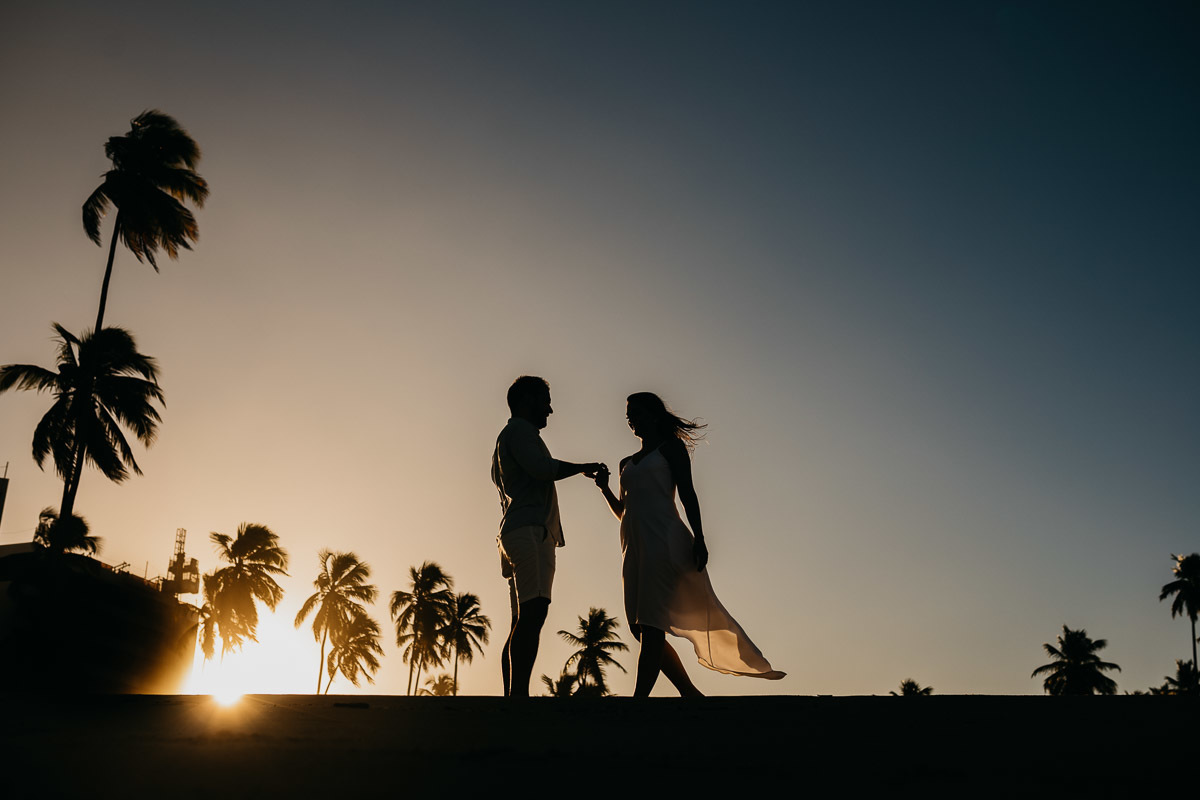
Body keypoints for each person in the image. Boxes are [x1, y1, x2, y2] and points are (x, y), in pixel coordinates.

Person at [593, 392, 784, 696]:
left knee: (652, 625)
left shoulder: (671, 449)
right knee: (639, 628)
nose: (631, 418)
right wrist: (604, 489)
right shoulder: (625, 464)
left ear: (653, 415)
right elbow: (625, 513)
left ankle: (638, 701)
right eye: (628, 414)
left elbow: (688, 495)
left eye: (636, 412)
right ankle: (689, 693)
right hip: (633, 550)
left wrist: (700, 538)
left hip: (664, 542)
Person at [493, 375, 602, 697]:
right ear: (527, 401)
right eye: (545, 401)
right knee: (533, 612)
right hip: (529, 531)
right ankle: (519, 696)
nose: (550, 410)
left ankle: (514, 695)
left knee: (522, 619)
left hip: (513, 531)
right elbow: (542, 468)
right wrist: (583, 467)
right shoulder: (521, 432)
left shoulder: (506, 437)